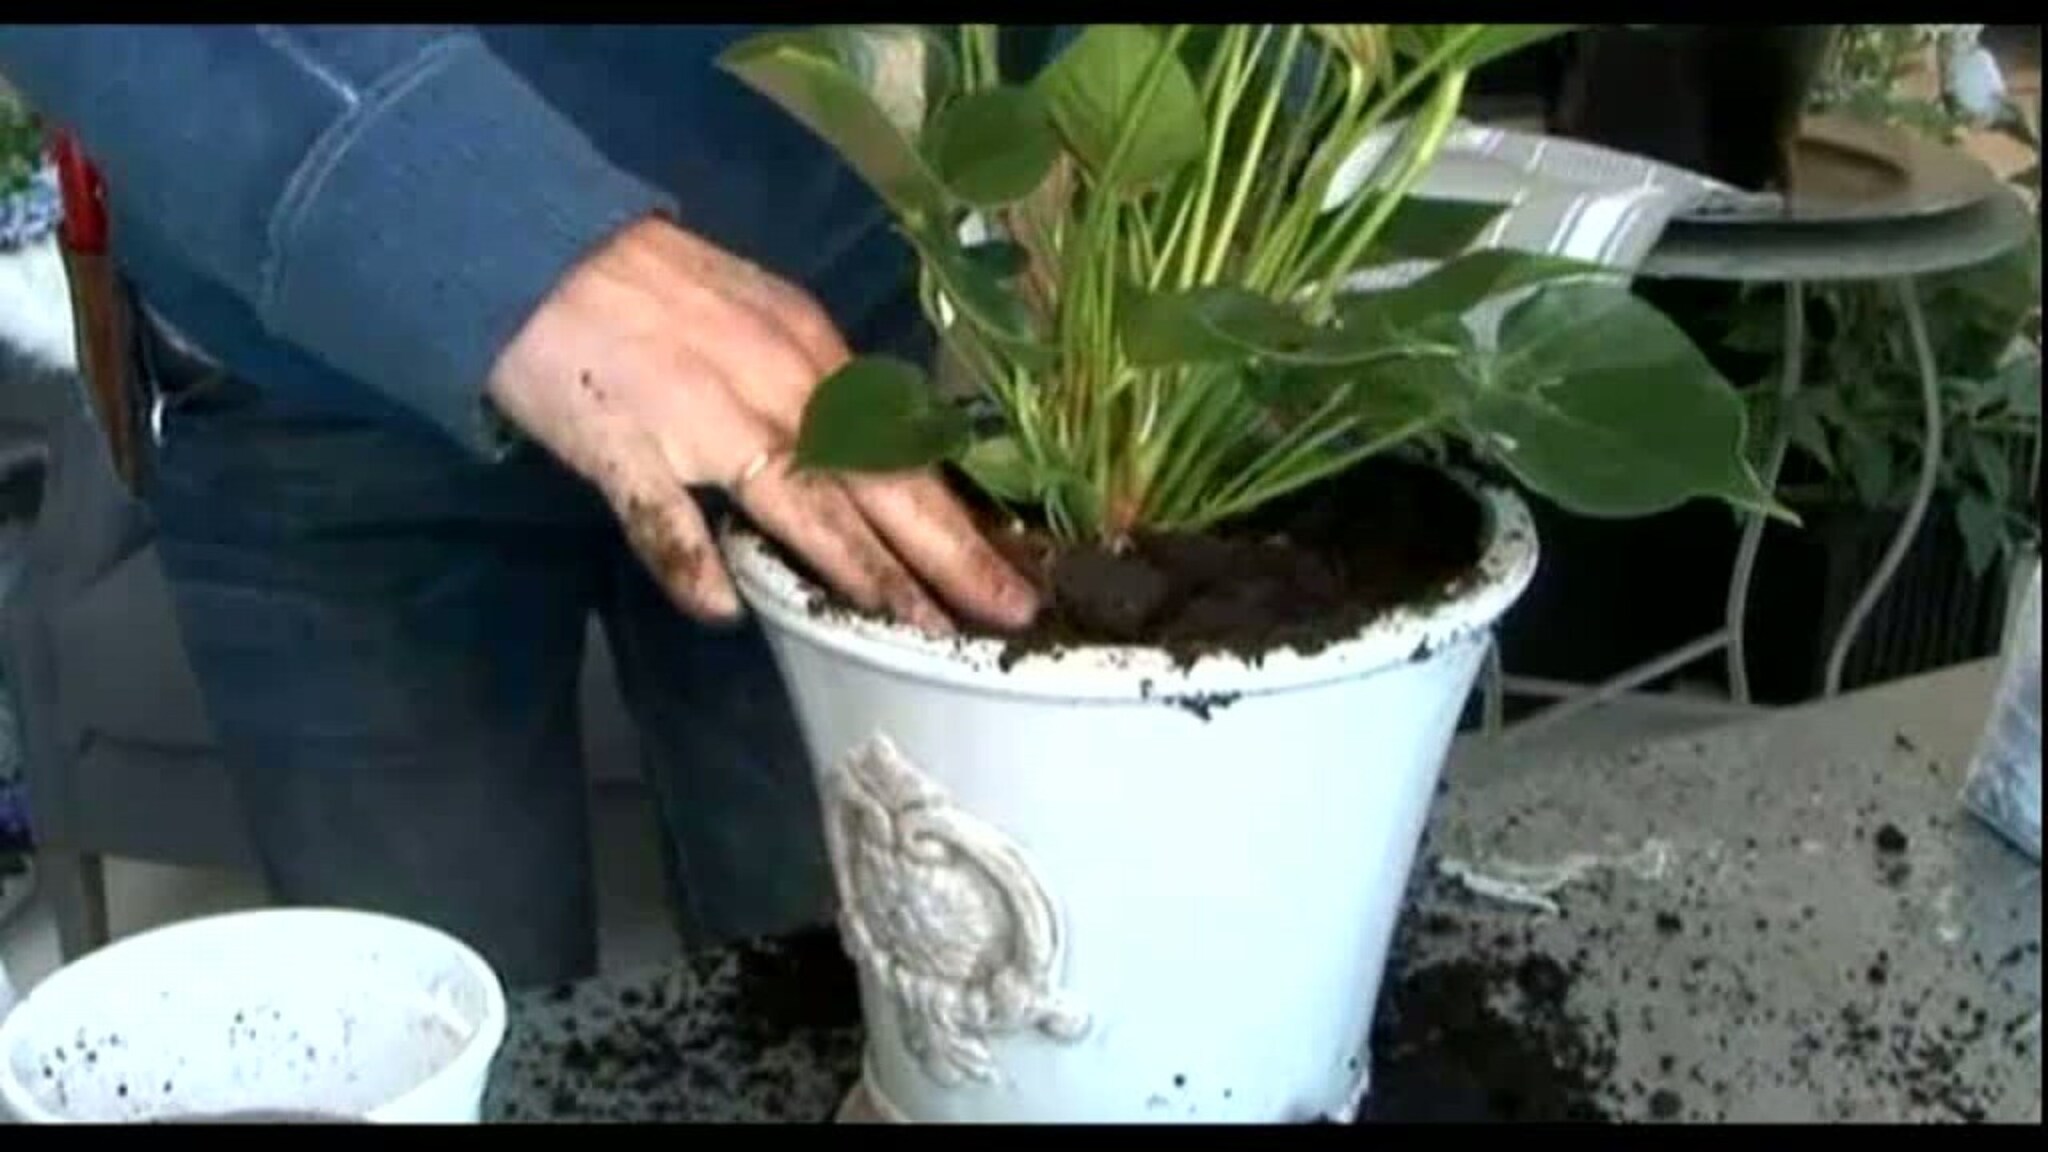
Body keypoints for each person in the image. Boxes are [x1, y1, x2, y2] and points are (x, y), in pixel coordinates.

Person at [0, 25, 1040, 989]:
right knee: (438, 1021)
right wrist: (488, 228)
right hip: (314, 364)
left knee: (860, 993)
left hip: (802, 348)